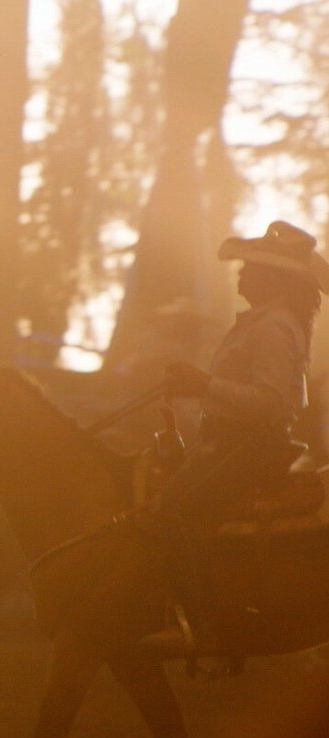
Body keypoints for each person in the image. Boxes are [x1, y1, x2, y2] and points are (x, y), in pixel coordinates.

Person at [142, 220, 329, 655]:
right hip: (234, 443)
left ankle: (206, 627)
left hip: (250, 446)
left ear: (274, 278)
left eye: (251, 267)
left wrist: (202, 384)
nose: (242, 274)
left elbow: (270, 403)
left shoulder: (272, 327)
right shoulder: (264, 323)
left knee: (171, 511)